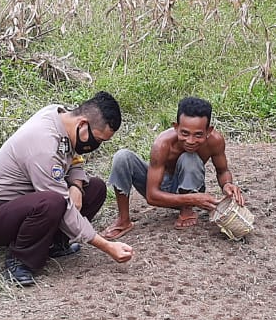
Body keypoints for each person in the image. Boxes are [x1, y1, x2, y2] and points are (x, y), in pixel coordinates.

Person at [0, 92, 134, 286]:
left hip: (27, 203)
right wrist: (107, 246)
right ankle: (20, 261)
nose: (96, 145)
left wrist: (76, 185)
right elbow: (63, 206)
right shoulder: (43, 145)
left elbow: (74, 158)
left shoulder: (62, 118)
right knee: (52, 202)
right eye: (98, 140)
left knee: (96, 188)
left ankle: (55, 244)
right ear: (82, 124)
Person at [100, 96, 243, 238]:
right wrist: (194, 199)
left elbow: (222, 171)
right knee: (122, 157)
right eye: (185, 133)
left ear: (209, 131)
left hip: (190, 189)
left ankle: (186, 211)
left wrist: (227, 184)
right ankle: (123, 220)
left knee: (190, 157)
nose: (191, 141)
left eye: (198, 135)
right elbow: (152, 196)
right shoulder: (162, 144)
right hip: (160, 191)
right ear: (176, 127)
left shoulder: (215, 141)